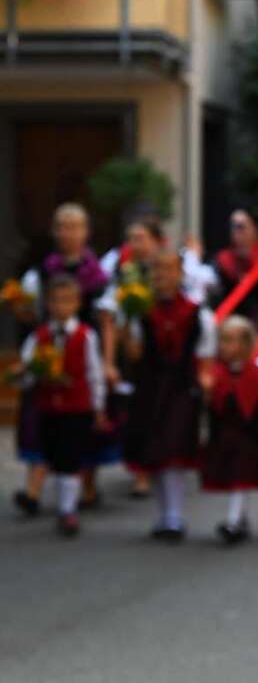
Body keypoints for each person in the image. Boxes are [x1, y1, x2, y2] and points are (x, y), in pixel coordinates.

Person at [12, 204, 109, 515]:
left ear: (86, 232)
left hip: (81, 356)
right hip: (47, 352)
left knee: (80, 430)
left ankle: (83, 489)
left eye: (74, 227)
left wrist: (109, 361)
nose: (67, 233)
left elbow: (107, 319)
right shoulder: (41, 272)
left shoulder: (98, 274)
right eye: (61, 226)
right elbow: (29, 318)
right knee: (40, 426)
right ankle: (35, 489)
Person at [122, 250, 216, 542]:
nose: (162, 277)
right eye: (157, 271)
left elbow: (205, 354)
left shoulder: (198, 313)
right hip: (151, 387)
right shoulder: (143, 312)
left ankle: (175, 516)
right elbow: (134, 354)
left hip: (181, 387)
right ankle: (164, 515)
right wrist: (127, 318)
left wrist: (206, 383)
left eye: (168, 270)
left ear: (180, 274)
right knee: (156, 449)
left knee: (174, 448)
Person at [15, 275, 106, 536]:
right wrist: (26, 374)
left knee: (70, 457)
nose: (61, 307)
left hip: (76, 408)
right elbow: (28, 369)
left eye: (67, 301)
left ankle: (68, 510)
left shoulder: (85, 336)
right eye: (55, 302)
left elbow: (94, 373)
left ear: (77, 304)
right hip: (48, 407)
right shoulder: (39, 336)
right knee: (53, 454)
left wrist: (97, 406)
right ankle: (63, 502)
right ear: (48, 305)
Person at [96, 215, 166, 499]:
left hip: (162, 350)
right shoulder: (124, 273)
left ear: (156, 241)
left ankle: (158, 461)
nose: (135, 245)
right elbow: (109, 315)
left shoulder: (167, 270)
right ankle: (141, 471)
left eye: (141, 238)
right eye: (132, 239)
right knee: (136, 410)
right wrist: (110, 359)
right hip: (132, 353)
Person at [199, 316, 258, 545]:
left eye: (231, 341)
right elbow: (211, 405)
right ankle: (240, 518)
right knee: (233, 476)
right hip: (223, 435)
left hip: (247, 435)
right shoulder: (215, 374)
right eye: (222, 340)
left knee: (241, 476)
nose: (225, 346)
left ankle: (234, 521)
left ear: (247, 344)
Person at [211, 210, 258, 328]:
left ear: (255, 229)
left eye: (240, 227)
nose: (235, 232)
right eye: (232, 227)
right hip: (230, 324)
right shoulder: (222, 260)